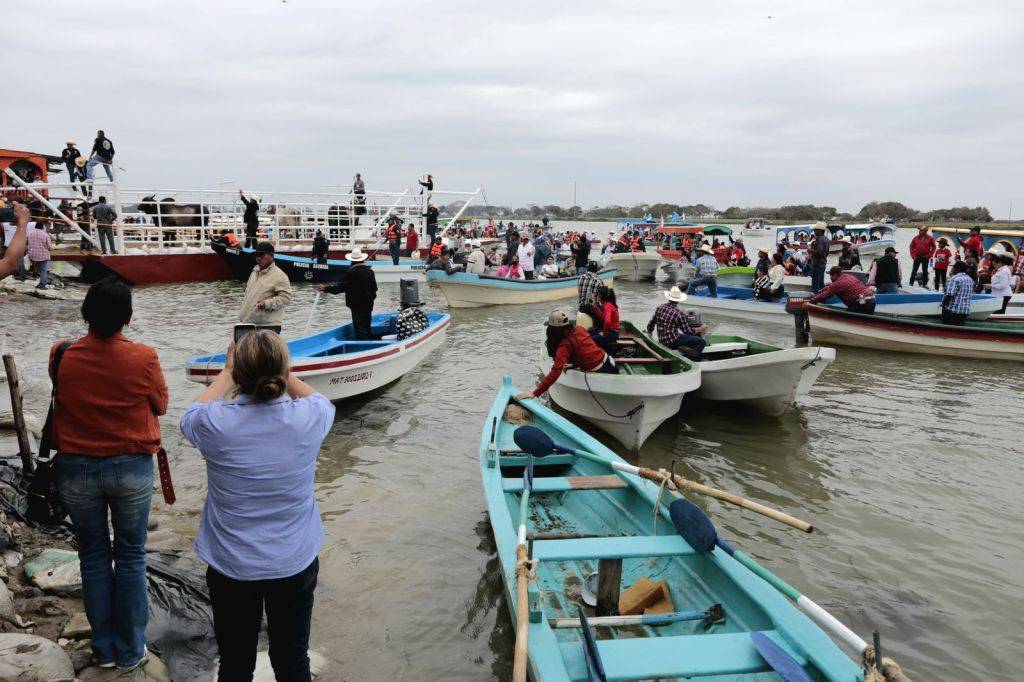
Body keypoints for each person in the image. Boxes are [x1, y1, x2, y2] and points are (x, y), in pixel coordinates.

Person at [180, 331, 333, 681]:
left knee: (235, 663)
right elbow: (319, 400)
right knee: (293, 659)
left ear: (239, 375)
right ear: (285, 370)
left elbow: (192, 412)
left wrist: (228, 371)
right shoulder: (311, 417)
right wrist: (282, 368)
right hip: (294, 561)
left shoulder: (214, 424)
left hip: (232, 565)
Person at [52, 277, 168, 672]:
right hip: (130, 466)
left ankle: (103, 649)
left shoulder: (61, 353)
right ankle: (131, 649)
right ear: (128, 319)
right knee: (132, 557)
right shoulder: (144, 357)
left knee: (94, 556)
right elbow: (162, 404)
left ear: (86, 312)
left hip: (76, 469)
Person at [514, 310, 619, 401]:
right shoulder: (579, 329)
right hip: (611, 363)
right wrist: (573, 365)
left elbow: (556, 371)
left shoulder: (565, 345)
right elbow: (584, 351)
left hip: (603, 369)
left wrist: (535, 393)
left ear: (552, 330)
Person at [318, 247, 377, 339]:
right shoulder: (370, 272)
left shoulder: (351, 273)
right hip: (368, 305)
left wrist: (325, 288)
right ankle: (367, 342)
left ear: (351, 261)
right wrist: (370, 299)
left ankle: (362, 347)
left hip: (357, 306)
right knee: (366, 326)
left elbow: (339, 288)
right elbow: (374, 289)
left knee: (359, 328)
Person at [239, 242, 293, 333]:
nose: (258, 258)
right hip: (248, 324)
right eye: (256, 255)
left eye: (262, 255)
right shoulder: (254, 272)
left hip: (267, 327)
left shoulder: (280, 275)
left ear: (271, 255)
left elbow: (286, 298)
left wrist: (266, 303)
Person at [647, 286, 709, 356]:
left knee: (683, 336)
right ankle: (691, 358)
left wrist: (650, 332)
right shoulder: (678, 313)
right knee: (701, 342)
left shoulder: (660, 307)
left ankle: (685, 349)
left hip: (662, 340)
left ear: (669, 298)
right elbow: (688, 332)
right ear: (679, 300)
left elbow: (651, 323)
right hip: (672, 342)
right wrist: (701, 329)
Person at [808, 265, 877, 314]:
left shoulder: (837, 284)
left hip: (862, 300)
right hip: (871, 299)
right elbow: (831, 287)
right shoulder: (849, 276)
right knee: (863, 318)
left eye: (831, 276)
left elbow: (824, 295)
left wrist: (810, 301)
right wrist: (822, 290)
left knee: (847, 317)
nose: (830, 278)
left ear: (834, 275)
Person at [0, 203, 29, 280]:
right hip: (16, 247)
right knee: (21, 262)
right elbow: (11, 264)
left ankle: (20, 275)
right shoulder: (8, 226)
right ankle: (21, 275)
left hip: (8, 245)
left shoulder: (6, 225)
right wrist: (22, 222)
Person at [942, 261, 973, 325]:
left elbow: (950, 294)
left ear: (957, 269)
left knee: (947, 327)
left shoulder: (954, 279)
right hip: (965, 311)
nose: (952, 269)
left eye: (953, 267)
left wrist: (943, 304)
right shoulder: (970, 279)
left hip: (953, 311)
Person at [27, 220, 52, 289]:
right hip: (42, 255)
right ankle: (42, 284)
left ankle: (34, 273)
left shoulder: (30, 233)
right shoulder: (45, 235)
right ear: (42, 227)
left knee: (36, 266)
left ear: (35, 226)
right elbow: (50, 248)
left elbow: (26, 242)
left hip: (32, 255)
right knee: (43, 270)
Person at [809, 222, 830, 293]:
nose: (814, 231)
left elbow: (819, 252)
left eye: (815, 230)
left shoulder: (820, 239)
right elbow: (826, 253)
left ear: (820, 231)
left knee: (815, 284)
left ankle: (815, 299)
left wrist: (810, 250)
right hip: (822, 263)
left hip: (817, 264)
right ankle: (822, 298)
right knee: (821, 283)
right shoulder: (826, 239)